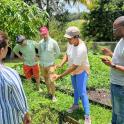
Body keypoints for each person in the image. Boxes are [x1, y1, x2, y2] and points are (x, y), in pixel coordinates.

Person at [53, 26, 91, 124]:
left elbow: (74, 67)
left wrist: (59, 76)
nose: (68, 40)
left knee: (82, 92)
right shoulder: (70, 43)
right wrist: (61, 64)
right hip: (73, 70)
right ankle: (75, 105)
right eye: (67, 38)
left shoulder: (81, 49)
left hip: (81, 70)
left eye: (69, 38)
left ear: (76, 37)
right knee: (75, 88)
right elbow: (67, 54)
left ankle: (87, 115)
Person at [0, 31, 31, 124]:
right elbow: (19, 100)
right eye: (7, 47)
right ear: (2, 51)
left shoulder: (32, 44)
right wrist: (26, 115)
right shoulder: (9, 74)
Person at [101, 16, 124, 124]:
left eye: (115, 29)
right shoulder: (121, 40)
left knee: (121, 115)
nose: (113, 31)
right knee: (115, 112)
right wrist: (110, 54)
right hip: (115, 83)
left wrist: (112, 65)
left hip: (121, 86)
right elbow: (120, 58)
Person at [38, 26, 60, 102]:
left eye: (45, 33)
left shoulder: (53, 42)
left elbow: (58, 53)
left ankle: (54, 96)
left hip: (51, 64)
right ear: (41, 34)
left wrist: (52, 59)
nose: (44, 35)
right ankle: (48, 92)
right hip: (42, 64)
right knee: (46, 79)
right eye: (42, 34)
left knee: (52, 80)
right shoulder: (40, 43)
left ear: (48, 32)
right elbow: (40, 53)